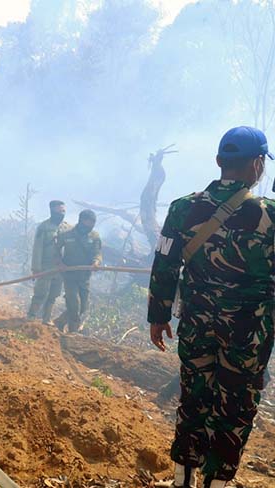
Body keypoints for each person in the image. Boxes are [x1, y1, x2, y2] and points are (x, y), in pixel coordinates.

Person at [148, 126, 275, 488]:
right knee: (234, 409)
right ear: (257, 164)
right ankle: (216, 482)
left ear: (219, 162)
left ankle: (182, 478)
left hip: (196, 325)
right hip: (249, 335)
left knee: (194, 399)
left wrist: (158, 316)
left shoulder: (183, 208)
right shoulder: (269, 214)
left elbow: (165, 264)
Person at [53, 209, 101, 332]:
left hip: (84, 276)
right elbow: (56, 251)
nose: (90, 227)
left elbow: (97, 253)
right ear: (81, 221)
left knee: (83, 308)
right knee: (74, 303)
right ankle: (72, 332)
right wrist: (60, 263)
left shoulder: (94, 236)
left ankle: (60, 321)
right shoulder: (66, 234)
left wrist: (96, 262)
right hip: (69, 275)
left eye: (92, 224)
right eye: (88, 223)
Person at [27, 200, 71, 325]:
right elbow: (37, 248)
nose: (62, 213)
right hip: (46, 266)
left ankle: (46, 319)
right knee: (40, 293)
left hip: (60, 268)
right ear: (52, 211)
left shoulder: (68, 228)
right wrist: (36, 268)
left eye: (63, 211)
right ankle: (31, 315)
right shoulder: (44, 227)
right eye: (59, 211)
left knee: (53, 295)